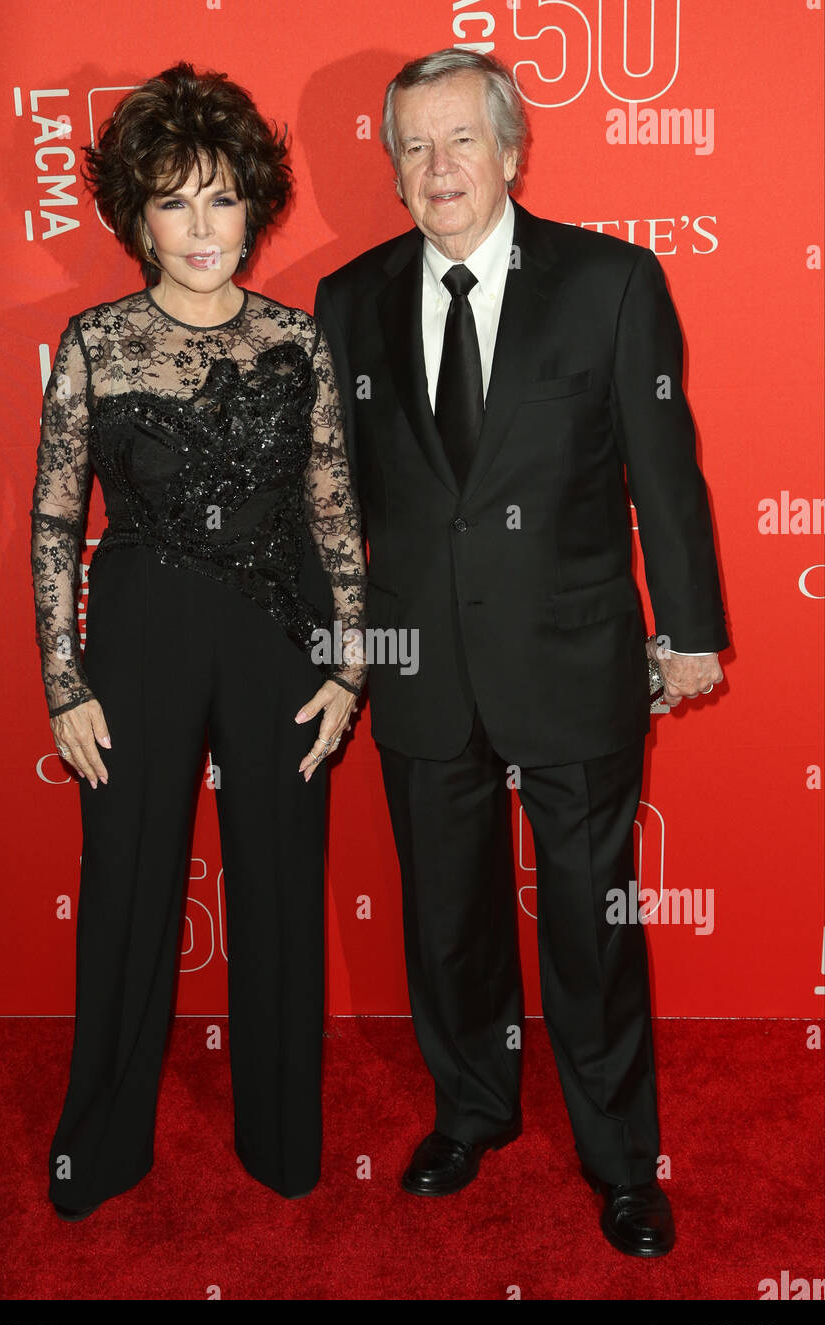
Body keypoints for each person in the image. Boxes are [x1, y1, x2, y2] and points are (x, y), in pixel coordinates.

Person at [314, 48, 728, 1257]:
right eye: (411, 147)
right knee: (447, 917)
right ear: (391, 167)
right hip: (419, 665)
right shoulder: (350, 299)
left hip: (572, 659)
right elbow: (338, 498)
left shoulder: (606, 283)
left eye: (457, 141)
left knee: (590, 927)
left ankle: (618, 1160)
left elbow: (663, 466)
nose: (435, 169)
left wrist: (688, 627)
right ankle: (472, 1110)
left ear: (510, 149)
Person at [30, 62, 366, 1220]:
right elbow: (54, 520)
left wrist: (348, 663)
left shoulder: (299, 340)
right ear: (135, 214)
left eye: (221, 196)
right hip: (139, 635)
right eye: (174, 199)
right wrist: (63, 679)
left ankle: (281, 1141)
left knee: (278, 886)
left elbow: (331, 511)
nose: (201, 225)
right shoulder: (95, 343)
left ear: (254, 204)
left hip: (281, 631)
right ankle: (103, 1142)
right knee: (124, 884)